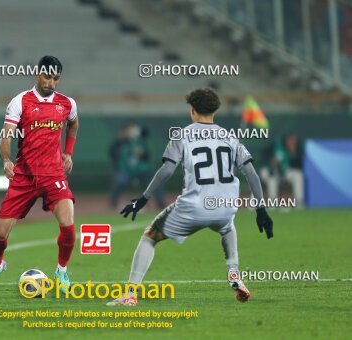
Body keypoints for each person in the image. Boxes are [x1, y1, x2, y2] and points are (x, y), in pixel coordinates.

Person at [108, 88, 273, 306]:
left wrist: (144, 198)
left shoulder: (182, 135)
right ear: (215, 110)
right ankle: (233, 272)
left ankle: (130, 294)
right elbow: (251, 173)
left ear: (193, 110)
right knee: (227, 226)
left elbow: (166, 171)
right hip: (225, 207)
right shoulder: (230, 137)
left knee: (149, 236)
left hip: (193, 207)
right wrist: (261, 210)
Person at [0, 56, 79, 293]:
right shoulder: (20, 101)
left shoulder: (67, 103)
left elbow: (73, 124)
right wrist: (6, 160)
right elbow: (7, 135)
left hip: (54, 175)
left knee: (68, 224)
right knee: (0, 235)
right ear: (37, 73)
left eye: (56, 79)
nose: (51, 83)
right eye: (47, 77)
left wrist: (68, 153)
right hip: (24, 176)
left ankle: (62, 271)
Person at [109, 123, 165, 209]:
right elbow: (112, 153)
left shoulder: (140, 141)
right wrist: (119, 140)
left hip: (141, 171)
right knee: (120, 180)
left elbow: (147, 157)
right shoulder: (121, 142)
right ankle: (113, 202)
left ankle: (160, 202)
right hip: (125, 171)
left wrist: (141, 154)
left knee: (155, 179)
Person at [260, 134, 304, 206]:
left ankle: (299, 202)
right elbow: (263, 154)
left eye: (294, 140)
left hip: (284, 172)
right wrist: (270, 160)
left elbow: (298, 165)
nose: (292, 142)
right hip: (270, 171)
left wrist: (293, 153)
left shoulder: (297, 148)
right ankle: (273, 204)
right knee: (272, 180)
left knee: (298, 175)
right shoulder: (276, 144)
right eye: (290, 140)